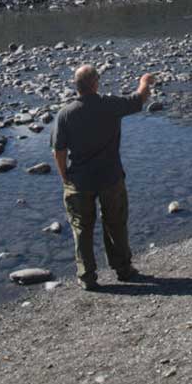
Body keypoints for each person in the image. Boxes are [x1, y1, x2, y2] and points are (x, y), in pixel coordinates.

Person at [52, 65, 155, 290]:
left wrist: (64, 177)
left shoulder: (65, 114)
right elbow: (140, 98)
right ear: (95, 84)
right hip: (111, 178)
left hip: (79, 181)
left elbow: (58, 151)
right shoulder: (110, 105)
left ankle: (87, 277)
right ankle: (123, 269)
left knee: (81, 228)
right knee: (116, 224)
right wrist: (145, 80)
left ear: (77, 86)